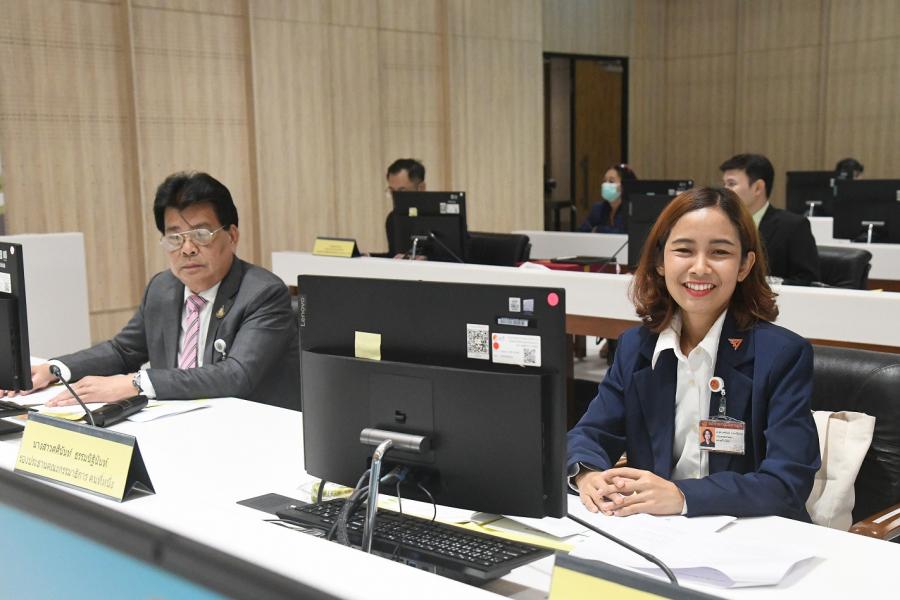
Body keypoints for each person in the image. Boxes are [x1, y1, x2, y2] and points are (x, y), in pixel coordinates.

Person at [568, 187, 820, 521]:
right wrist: (587, 474)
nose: (700, 268)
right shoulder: (635, 347)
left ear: (744, 265)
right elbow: (589, 434)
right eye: (684, 250)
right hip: (655, 530)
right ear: (660, 261)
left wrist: (683, 496)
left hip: (750, 532)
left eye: (719, 252)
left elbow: (787, 483)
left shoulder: (782, 355)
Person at [3, 171, 300, 410]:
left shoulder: (263, 293)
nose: (187, 249)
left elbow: (236, 375)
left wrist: (136, 383)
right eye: (175, 237)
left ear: (232, 235)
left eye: (200, 234)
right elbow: (124, 350)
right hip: (175, 422)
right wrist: (54, 369)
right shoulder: (163, 288)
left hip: (249, 429)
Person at [720, 153, 820, 285]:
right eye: (724, 184)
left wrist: (770, 282)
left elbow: (808, 280)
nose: (725, 191)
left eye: (731, 184)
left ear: (758, 188)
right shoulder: (721, 223)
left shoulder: (793, 226)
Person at [578, 164, 637, 234]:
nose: (605, 184)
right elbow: (582, 231)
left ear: (624, 185)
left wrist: (598, 229)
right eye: (604, 181)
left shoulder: (633, 210)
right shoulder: (598, 209)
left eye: (611, 181)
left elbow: (625, 233)